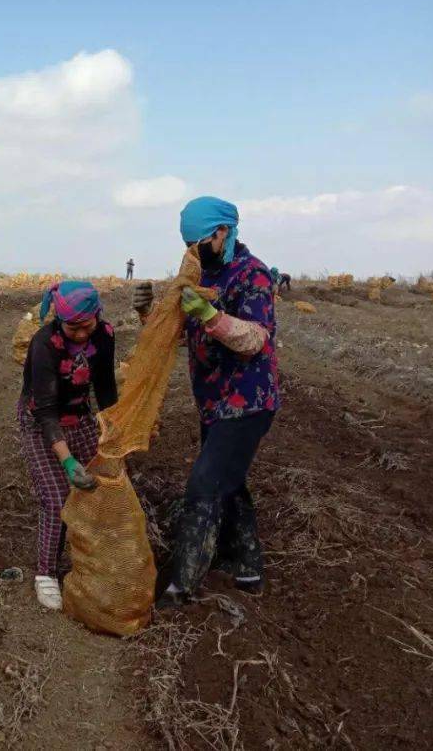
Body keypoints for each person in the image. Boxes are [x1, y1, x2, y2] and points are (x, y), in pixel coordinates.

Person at [133, 196, 279, 608]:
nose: (195, 252)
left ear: (223, 232)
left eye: (200, 242)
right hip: (214, 402)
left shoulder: (253, 274)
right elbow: (179, 336)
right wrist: (149, 315)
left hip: (247, 401)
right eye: (189, 247)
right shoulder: (199, 276)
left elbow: (255, 339)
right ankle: (248, 565)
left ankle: (182, 586)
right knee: (227, 481)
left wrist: (210, 316)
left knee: (204, 484)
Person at [18, 281, 117, 610]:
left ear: (96, 317)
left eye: (85, 326)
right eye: (72, 327)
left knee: (100, 485)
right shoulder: (45, 344)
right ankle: (46, 574)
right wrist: (68, 462)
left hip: (79, 414)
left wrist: (111, 429)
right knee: (58, 496)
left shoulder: (104, 335)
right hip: (41, 421)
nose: (80, 334)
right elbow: (46, 412)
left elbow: (104, 386)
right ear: (60, 322)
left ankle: (90, 557)